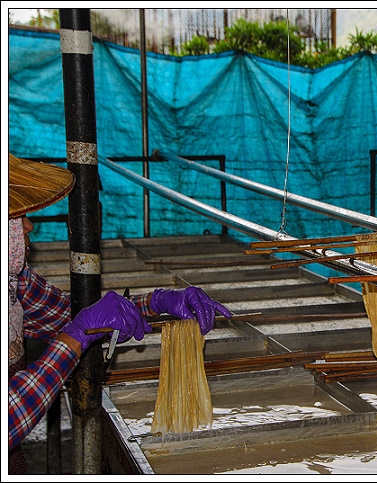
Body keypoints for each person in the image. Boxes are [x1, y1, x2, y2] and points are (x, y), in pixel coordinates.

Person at [7, 154, 233, 473]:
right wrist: (74, 337)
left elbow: (67, 314)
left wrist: (156, 303)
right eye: (17, 216)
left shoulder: (15, 282)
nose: (29, 225)